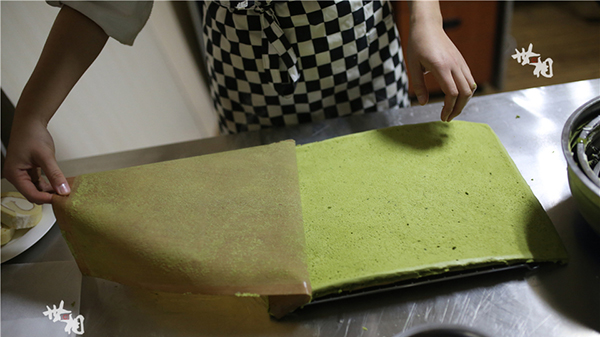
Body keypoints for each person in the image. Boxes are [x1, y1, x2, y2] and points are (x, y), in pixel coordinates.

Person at [3, 0, 476, 205]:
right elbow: (98, 5)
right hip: (248, 69)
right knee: (276, 205)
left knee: (384, 192)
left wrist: (427, 21)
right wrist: (33, 116)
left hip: (359, 54)